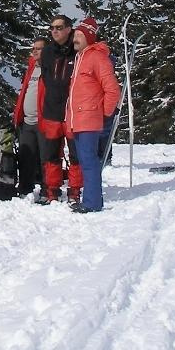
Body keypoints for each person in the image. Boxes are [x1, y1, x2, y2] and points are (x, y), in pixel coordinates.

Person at [65, 18, 120, 213]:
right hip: (77, 120)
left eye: (79, 35)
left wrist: (104, 114)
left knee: (89, 162)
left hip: (89, 119)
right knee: (85, 161)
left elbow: (112, 89)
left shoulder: (97, 58)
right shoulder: (80, 58)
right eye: (75, 35)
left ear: (89, 36)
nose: (75, 39)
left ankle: (92, 203)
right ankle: (91, 200)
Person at [36, 14, 80, 204]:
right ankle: (51, 190)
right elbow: (46, 78)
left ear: (69, 29)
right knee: (51, 153)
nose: (54, 31)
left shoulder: (77, 49)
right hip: (52, 110)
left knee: (76, 154)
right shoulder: (47, 52)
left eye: (59, 27)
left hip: (72, 111)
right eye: (52, 28)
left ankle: (75, 190)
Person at [11, 36, 45, 197]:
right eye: (34, 49)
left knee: (45, 158)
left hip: (43, 121)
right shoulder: (31, 67)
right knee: (25, 157)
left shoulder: (49, 68)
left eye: (39, 48)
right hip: (26, 121)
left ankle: (48, 188)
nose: (35, 51)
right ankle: (25, 187)